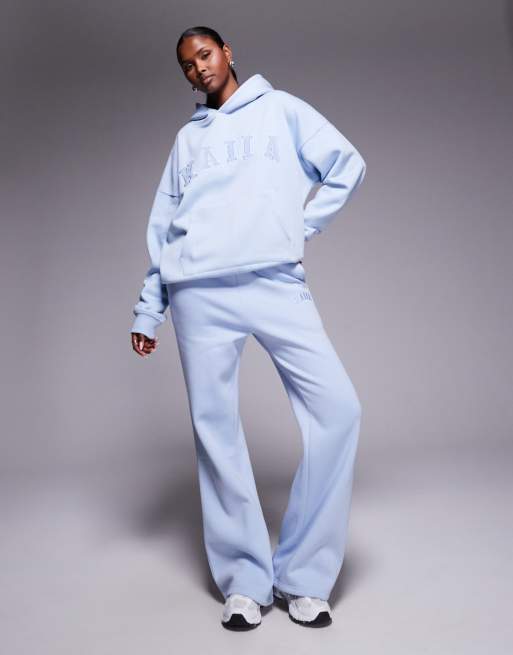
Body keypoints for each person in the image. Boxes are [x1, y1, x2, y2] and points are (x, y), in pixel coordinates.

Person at [130, 25, 367, 631]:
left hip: (274, 283)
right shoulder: (188, 139)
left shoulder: (282, 109)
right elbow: (164, 227)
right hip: (197, 293)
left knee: (338, 410)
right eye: (187, 65)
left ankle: (304, 577)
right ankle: (244, 582)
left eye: (205, 55)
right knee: (216, 433)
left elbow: (347, 165)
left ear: (227, 52)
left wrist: (297, 227)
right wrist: (150, 308)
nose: (198, 69)